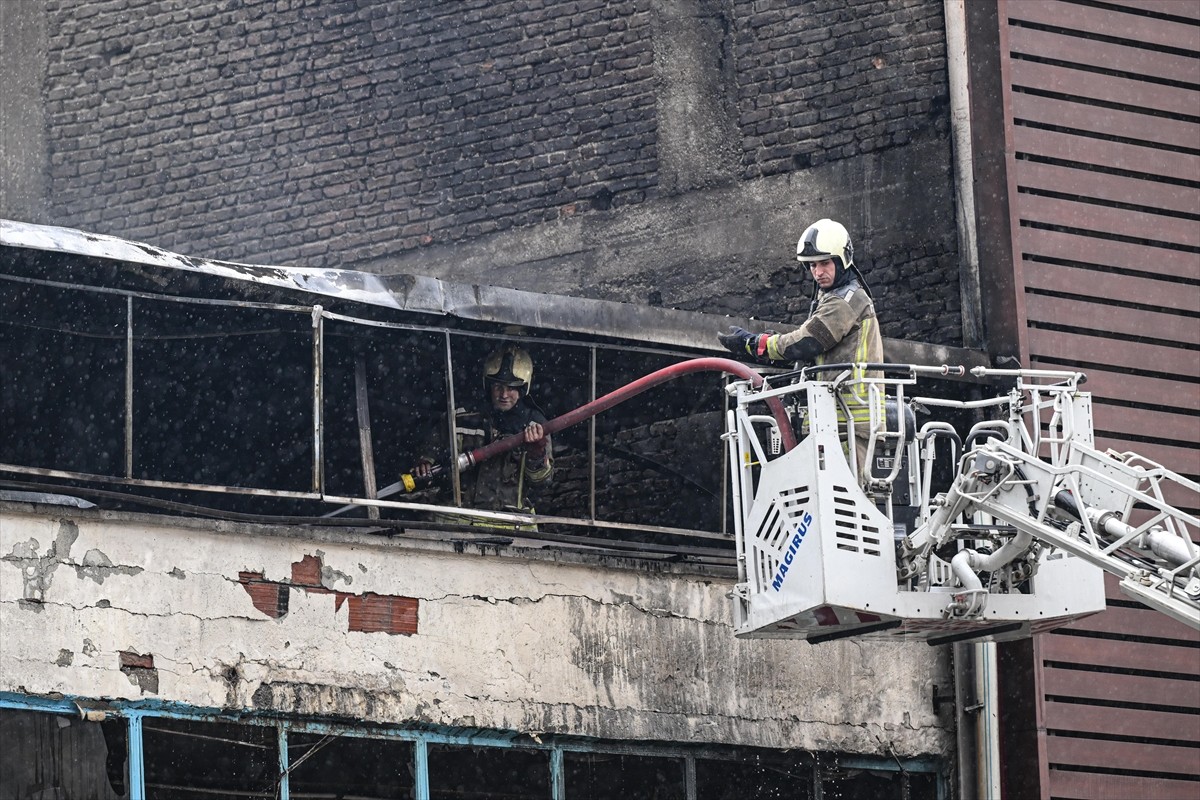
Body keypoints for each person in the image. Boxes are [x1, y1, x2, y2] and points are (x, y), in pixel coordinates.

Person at [717, 218, 884, 478]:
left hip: (849, 422)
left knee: (851, 503)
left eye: (825, 263)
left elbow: (807, 342)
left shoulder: (845, 301)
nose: (818, 273)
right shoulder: (833, 298)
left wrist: (754, 344)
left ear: (843, 260)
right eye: (813, 266)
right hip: (834, 421)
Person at [411, 344, 553, 524]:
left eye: (511, 388)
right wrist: (425, 461)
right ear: (488, 385)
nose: (504, 394)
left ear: (523, 389)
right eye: (498, 387)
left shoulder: (536, 426)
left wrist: (536, 454)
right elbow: (432, 444)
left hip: (510, 526)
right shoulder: (461, 418)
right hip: (458, 522)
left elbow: (543, 482)